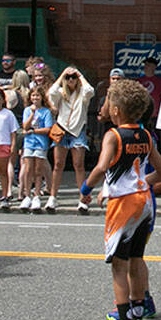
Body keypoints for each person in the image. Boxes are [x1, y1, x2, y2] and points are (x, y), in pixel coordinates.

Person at [83, 77, 161, 320]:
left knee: (119, 264)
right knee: (137, 259)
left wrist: (86, 188)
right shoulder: (146, 135)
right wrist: (140, 182)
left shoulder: (113, 136)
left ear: (116, 110)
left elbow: (102, 166)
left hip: (123, 206)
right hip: (144, 202)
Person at [47, 66, 97, 211]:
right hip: (62, 129)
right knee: (58, 164)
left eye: (73, 77)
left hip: (77, 131)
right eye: (68, 78)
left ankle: (83, 198)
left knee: (79, 165)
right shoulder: (61, 94)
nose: (70, 80)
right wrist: (62, 74)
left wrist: (79, 74)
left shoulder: (82, 94)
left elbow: (90, 91)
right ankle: (53, 197)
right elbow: (51, 92)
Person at [17, 85, 54, 211]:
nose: (35, 98)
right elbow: (25, 126)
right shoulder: (27, 110)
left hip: (40, 143)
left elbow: (48, 129)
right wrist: (32, 114)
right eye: (33, 95)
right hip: (29, 143)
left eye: (37, 95)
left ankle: (36, 195)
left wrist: (34, 130)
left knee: (38, 170)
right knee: (28, 170)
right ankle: (27, 195)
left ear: (42, 97)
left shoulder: (46, 112)